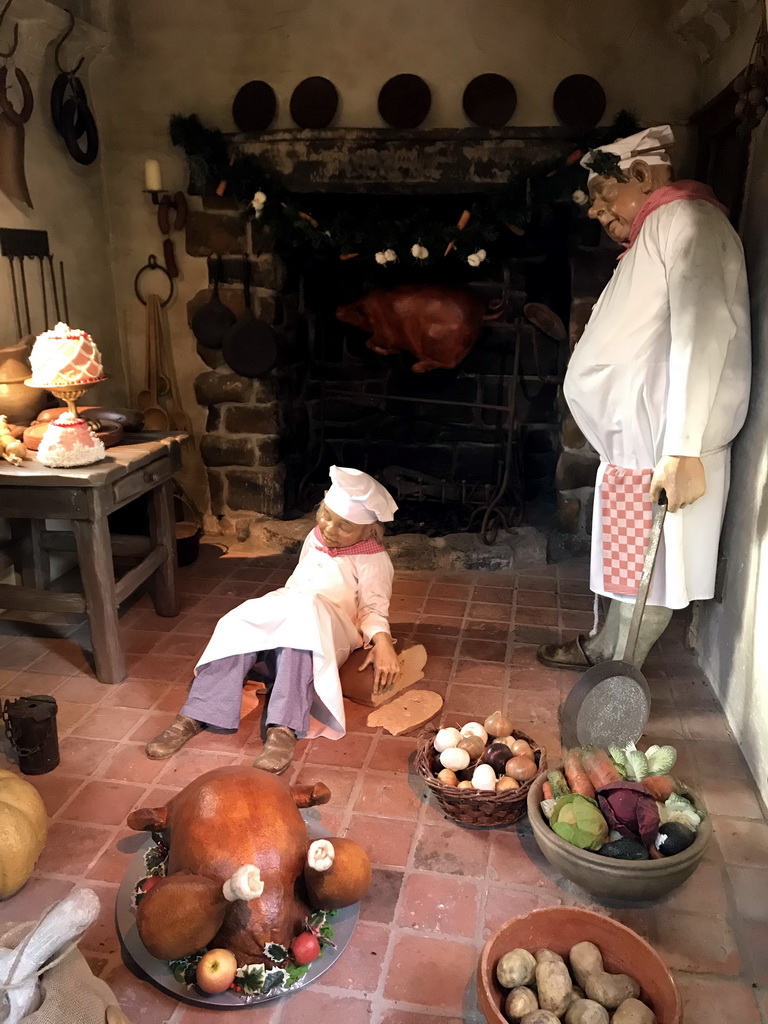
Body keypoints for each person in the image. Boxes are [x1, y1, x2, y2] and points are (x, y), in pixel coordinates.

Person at [538, 125, 751, 671]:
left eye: (604, 196)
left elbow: (702, 332)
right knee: (633, 564)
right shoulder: (659, 229)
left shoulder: (687, 220)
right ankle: (605, 648)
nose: (594, 212)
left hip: (666, 450)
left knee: (654, 572)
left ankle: (618, 675)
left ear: (639, 176)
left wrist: (681, 447)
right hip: (639, 452)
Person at [145, 466, 403, 774]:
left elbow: (373, 609)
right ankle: (197, 712)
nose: (330, 529)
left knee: (304, 625)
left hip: (331, 625)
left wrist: (382, 640)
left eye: (344, 526)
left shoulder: (373, 559)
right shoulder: (317, 535)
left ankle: (284, 728)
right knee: (239, 620)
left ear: (367, 530)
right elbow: (299, 585)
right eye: (326, 516)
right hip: (293, 604)